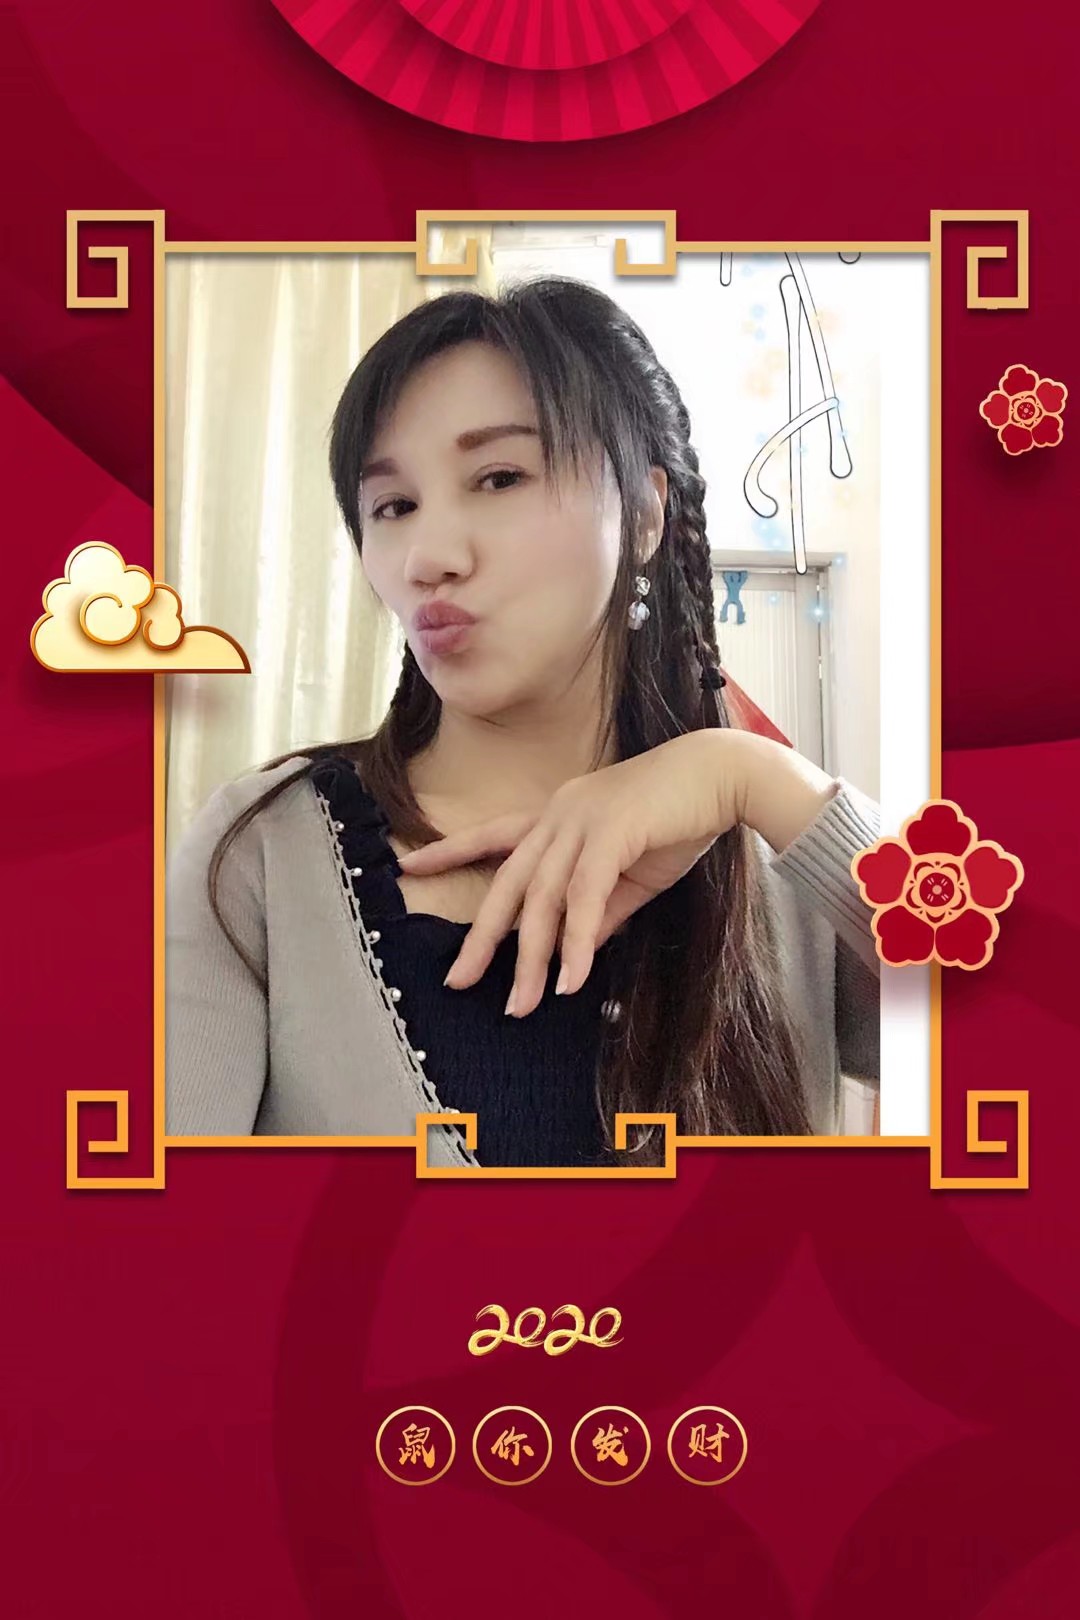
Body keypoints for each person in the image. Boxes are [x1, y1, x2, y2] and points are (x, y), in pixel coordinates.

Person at [165, 275, 881, 1167]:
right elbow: (150, 1236)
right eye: (393, 506)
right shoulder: (262, 854)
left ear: (645, 512)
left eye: (499, 477)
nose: (428, 556)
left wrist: (751, 776)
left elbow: (1014, 1037)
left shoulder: (777, 862)